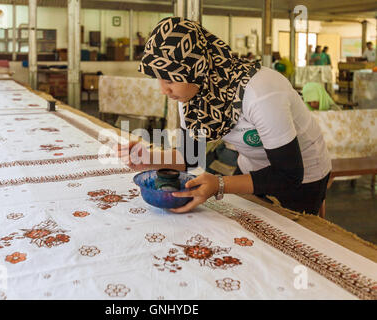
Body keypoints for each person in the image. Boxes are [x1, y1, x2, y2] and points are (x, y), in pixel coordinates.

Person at [118, 17, 331, 215]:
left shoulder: (260, 92)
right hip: (253, 167)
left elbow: (289, 174)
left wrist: (220, 184)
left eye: (170, 80)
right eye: (159, 79)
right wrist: (149, 158)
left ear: (197, 68)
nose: (163, 90)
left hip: (303, 176)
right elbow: (190, 157)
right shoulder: (193, 96)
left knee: (293, 240)